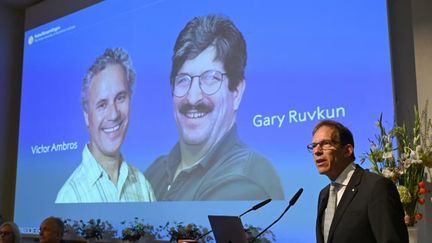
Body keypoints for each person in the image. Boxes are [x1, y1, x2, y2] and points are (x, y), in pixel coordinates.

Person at [145, 15, 284, 200]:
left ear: (236, 92)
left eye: (210, 78)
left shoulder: (245, 180)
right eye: (183, 80)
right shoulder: (155, 172)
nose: (193, 97)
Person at [56, 48, 155, 203]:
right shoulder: (70, 197)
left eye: (120, 98)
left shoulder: (143, 186)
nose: (114, 114)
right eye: (102, 105)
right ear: (86, 116)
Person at [309, 120, 408, 243]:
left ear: (347, 150)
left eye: (325, 143)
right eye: (313, 146)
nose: (317, 151)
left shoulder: (376, 187)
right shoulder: (324, 195)